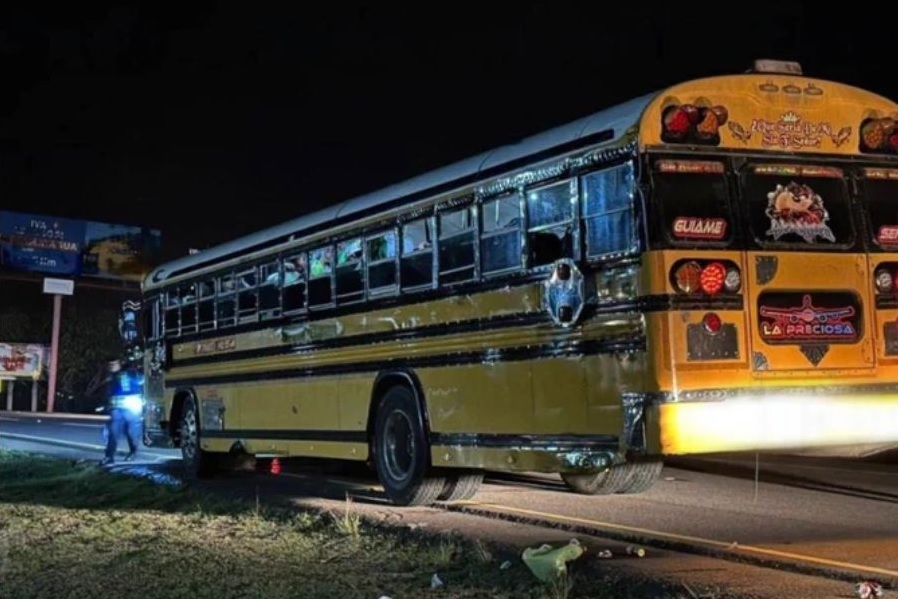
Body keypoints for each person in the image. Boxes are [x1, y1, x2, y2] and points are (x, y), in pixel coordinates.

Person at [99, 359, 141, 466]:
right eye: (110, 364)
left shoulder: (130, 373)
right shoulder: (110, 377)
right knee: (113, 433)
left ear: (120, 364)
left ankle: (133, 452)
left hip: (130, 408)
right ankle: (109, 457)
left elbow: (139, 383)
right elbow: (107, 393)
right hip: (116, 409)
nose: (112, 366)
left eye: (114, 364)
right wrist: (107, 405)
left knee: (131, 432)